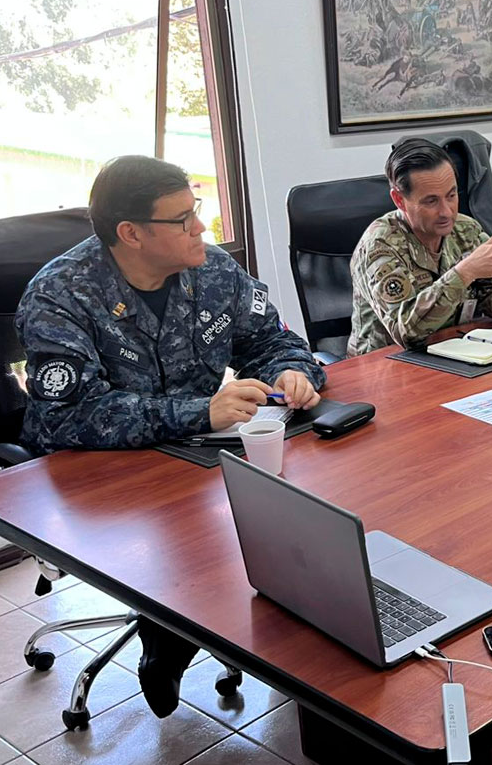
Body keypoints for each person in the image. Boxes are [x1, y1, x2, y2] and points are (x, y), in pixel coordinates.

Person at [17, 154, 327, 716]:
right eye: (182, 219)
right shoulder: (58, 295)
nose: (201, 229)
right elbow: (71, 417)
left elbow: (274, 339)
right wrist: (199, 413)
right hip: (95, 473)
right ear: (130, 233)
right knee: (216, 538)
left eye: (197, 210)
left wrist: (293, 373)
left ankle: (199, 632)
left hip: (193, 458)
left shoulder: (213, 271)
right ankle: (171, 630)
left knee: (295, 514)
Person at [348, 137, 492, 355]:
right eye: (431, 201)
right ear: (399, 200)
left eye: (452, 195)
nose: (446, 211)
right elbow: (406, 333)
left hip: (454, 352)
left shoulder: (465, 230)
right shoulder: (380, 245)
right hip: (383, 369)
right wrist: (464, 273)